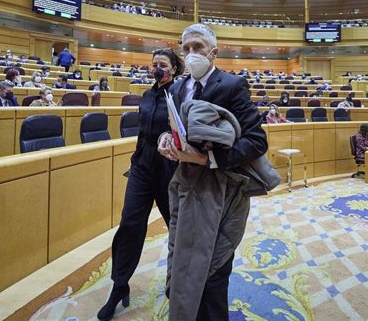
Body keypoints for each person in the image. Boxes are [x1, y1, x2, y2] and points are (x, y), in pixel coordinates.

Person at [157, 24, 268, 320]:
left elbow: (257, 142)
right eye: (186, 48)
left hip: (221, 191)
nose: (191, 54)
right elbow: (173, 130)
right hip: (186, 187)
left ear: (214, 52)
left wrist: (209, 158)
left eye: (198, 47)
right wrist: (165, 140)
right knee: (183, 263)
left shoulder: (232, 85)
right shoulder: (178, 87)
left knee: (212, 274)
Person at [97, 49, 184, 321]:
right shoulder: (147, 96)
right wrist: (135, 162)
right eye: (154, 64)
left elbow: (183, 130)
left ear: (174, 69)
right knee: (130, 225)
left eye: (162, 65)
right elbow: (142, 134)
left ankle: (179, 287)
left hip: (169, 169)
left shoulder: (180, 96)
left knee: (177, 230)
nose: (157, 69)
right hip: (142, 168)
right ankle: (119, 286)